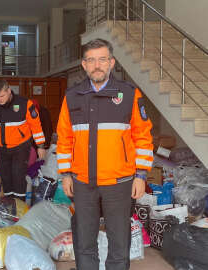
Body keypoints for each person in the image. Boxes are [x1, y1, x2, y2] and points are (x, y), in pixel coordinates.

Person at [56, 38, 153, 270]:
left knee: (119, 243)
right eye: (91, 60)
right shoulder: (72, 96)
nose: (96, 65)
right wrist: (66, 174)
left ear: (111, 62)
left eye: (102, 59)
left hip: (119, 183)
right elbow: (64, 138)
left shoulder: (129, 94)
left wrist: (141, 175)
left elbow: (143, 136)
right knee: (84, 242)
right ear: (83, 64)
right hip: (82, 182)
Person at [0, 80, 46, 199]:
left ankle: (18, 207)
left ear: (9, 91)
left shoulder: (25, 104)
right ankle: (9, 205)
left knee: (18, 177)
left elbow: (36, 126)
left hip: (20, 148)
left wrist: (40, 146)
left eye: (2, 96)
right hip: (2, 149)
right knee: (6, 178)